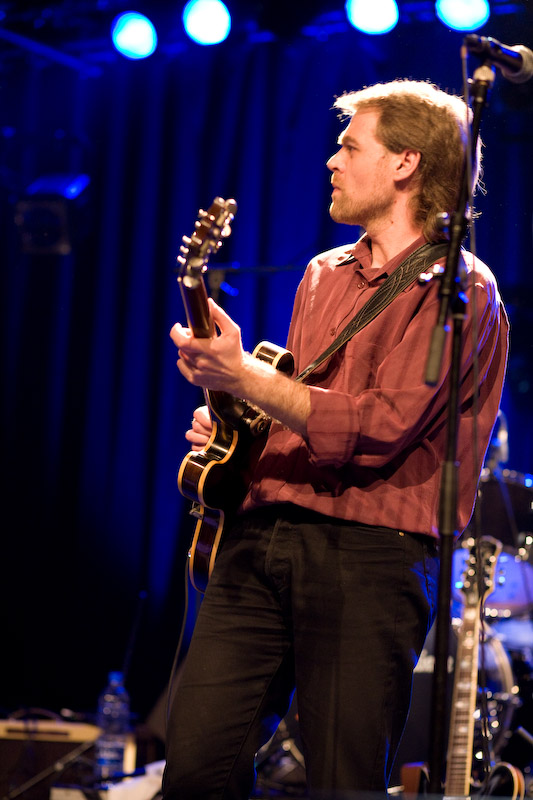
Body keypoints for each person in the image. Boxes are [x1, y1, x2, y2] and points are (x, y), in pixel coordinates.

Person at [162, 79, 508, 799]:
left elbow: (379, 429)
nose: (330, 160)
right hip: (259, 539)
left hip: (369, 556)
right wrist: (237, 427)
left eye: (349, 146)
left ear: (405, 163)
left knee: (342, 784)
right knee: (195, 769)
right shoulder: (323, 273)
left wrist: (245, 377)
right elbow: (305, 405)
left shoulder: (460, 288)